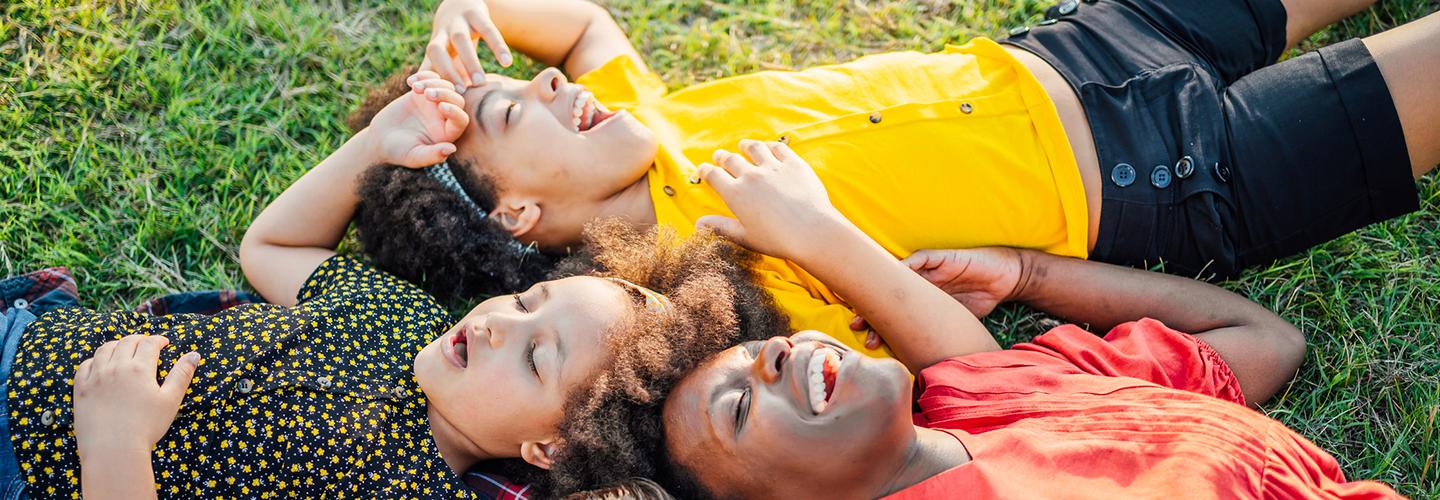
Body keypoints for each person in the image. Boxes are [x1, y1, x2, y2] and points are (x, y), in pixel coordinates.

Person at [351, 0, 1439, 358]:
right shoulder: (710, 284)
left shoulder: (640, 115)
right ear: (520, 212)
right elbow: (971, 370)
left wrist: (472, 17)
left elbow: (579, 20)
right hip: (1173, 175)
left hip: (1086, 42)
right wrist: (816, 233)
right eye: (511, 108)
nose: (546, 86)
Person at [0, 73, 787, 498]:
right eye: (523, 303)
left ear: (547, 447)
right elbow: (271, 247)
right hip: (25, 338)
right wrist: (375, 147)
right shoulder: (398, 316)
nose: (495, 327)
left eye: (536, 359)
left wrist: (115, 438)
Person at [645, 139, 1399, 497]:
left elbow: (1267, 342)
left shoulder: (996, 394)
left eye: (754, 351)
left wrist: (1031, 274)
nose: (771, 357)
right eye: (739, 406)